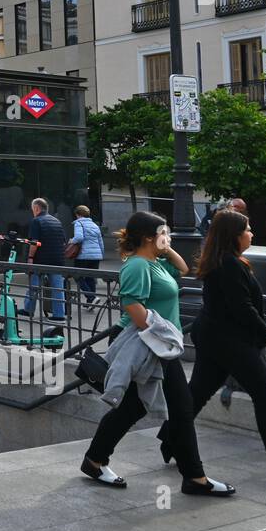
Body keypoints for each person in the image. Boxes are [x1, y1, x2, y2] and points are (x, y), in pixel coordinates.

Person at [81, 211, 236, 496]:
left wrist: (166, 247)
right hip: (150, 344)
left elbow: (184, 269)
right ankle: (194, 477)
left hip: (159, 344)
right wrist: (162, 337)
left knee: (145, 408)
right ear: (149, 238)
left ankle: (96, 459)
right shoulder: (138, 266)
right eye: (164, 232)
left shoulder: (156, 262)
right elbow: (134, 308)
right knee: (178, 408)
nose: (169, 236)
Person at [157, 209, 266, 481]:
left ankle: (169, 440)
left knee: (198, 392)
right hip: (229, 341)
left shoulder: (225, 260)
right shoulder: (229, 264)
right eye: (248, 229)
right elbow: (243, 307)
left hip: (215, 337)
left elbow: (240, 305)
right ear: (234, 236)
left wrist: (261, 330)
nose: (252, 233)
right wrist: (265, 332)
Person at [20, 198, 66, 321]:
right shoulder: (56, 221)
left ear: (36, 208)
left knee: (34, 286)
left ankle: (28, 310)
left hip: (40, 260)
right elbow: (63, 241)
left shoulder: (37, 221)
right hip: (57, 259)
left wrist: (30, 257)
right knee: (57, 288)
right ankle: (59, 315)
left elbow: (34, 242)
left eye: (32, 209)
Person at [69, 205, 104, 303]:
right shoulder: (95, 225)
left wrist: (71, 241)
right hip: (96, 256)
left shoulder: (79, 223)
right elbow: (100, 242)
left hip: (83, 255)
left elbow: (79, 237)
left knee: (77, 276)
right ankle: (91, 302)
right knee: (90, 277)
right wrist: (101, 254)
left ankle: (91, 297)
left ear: (78, 214)